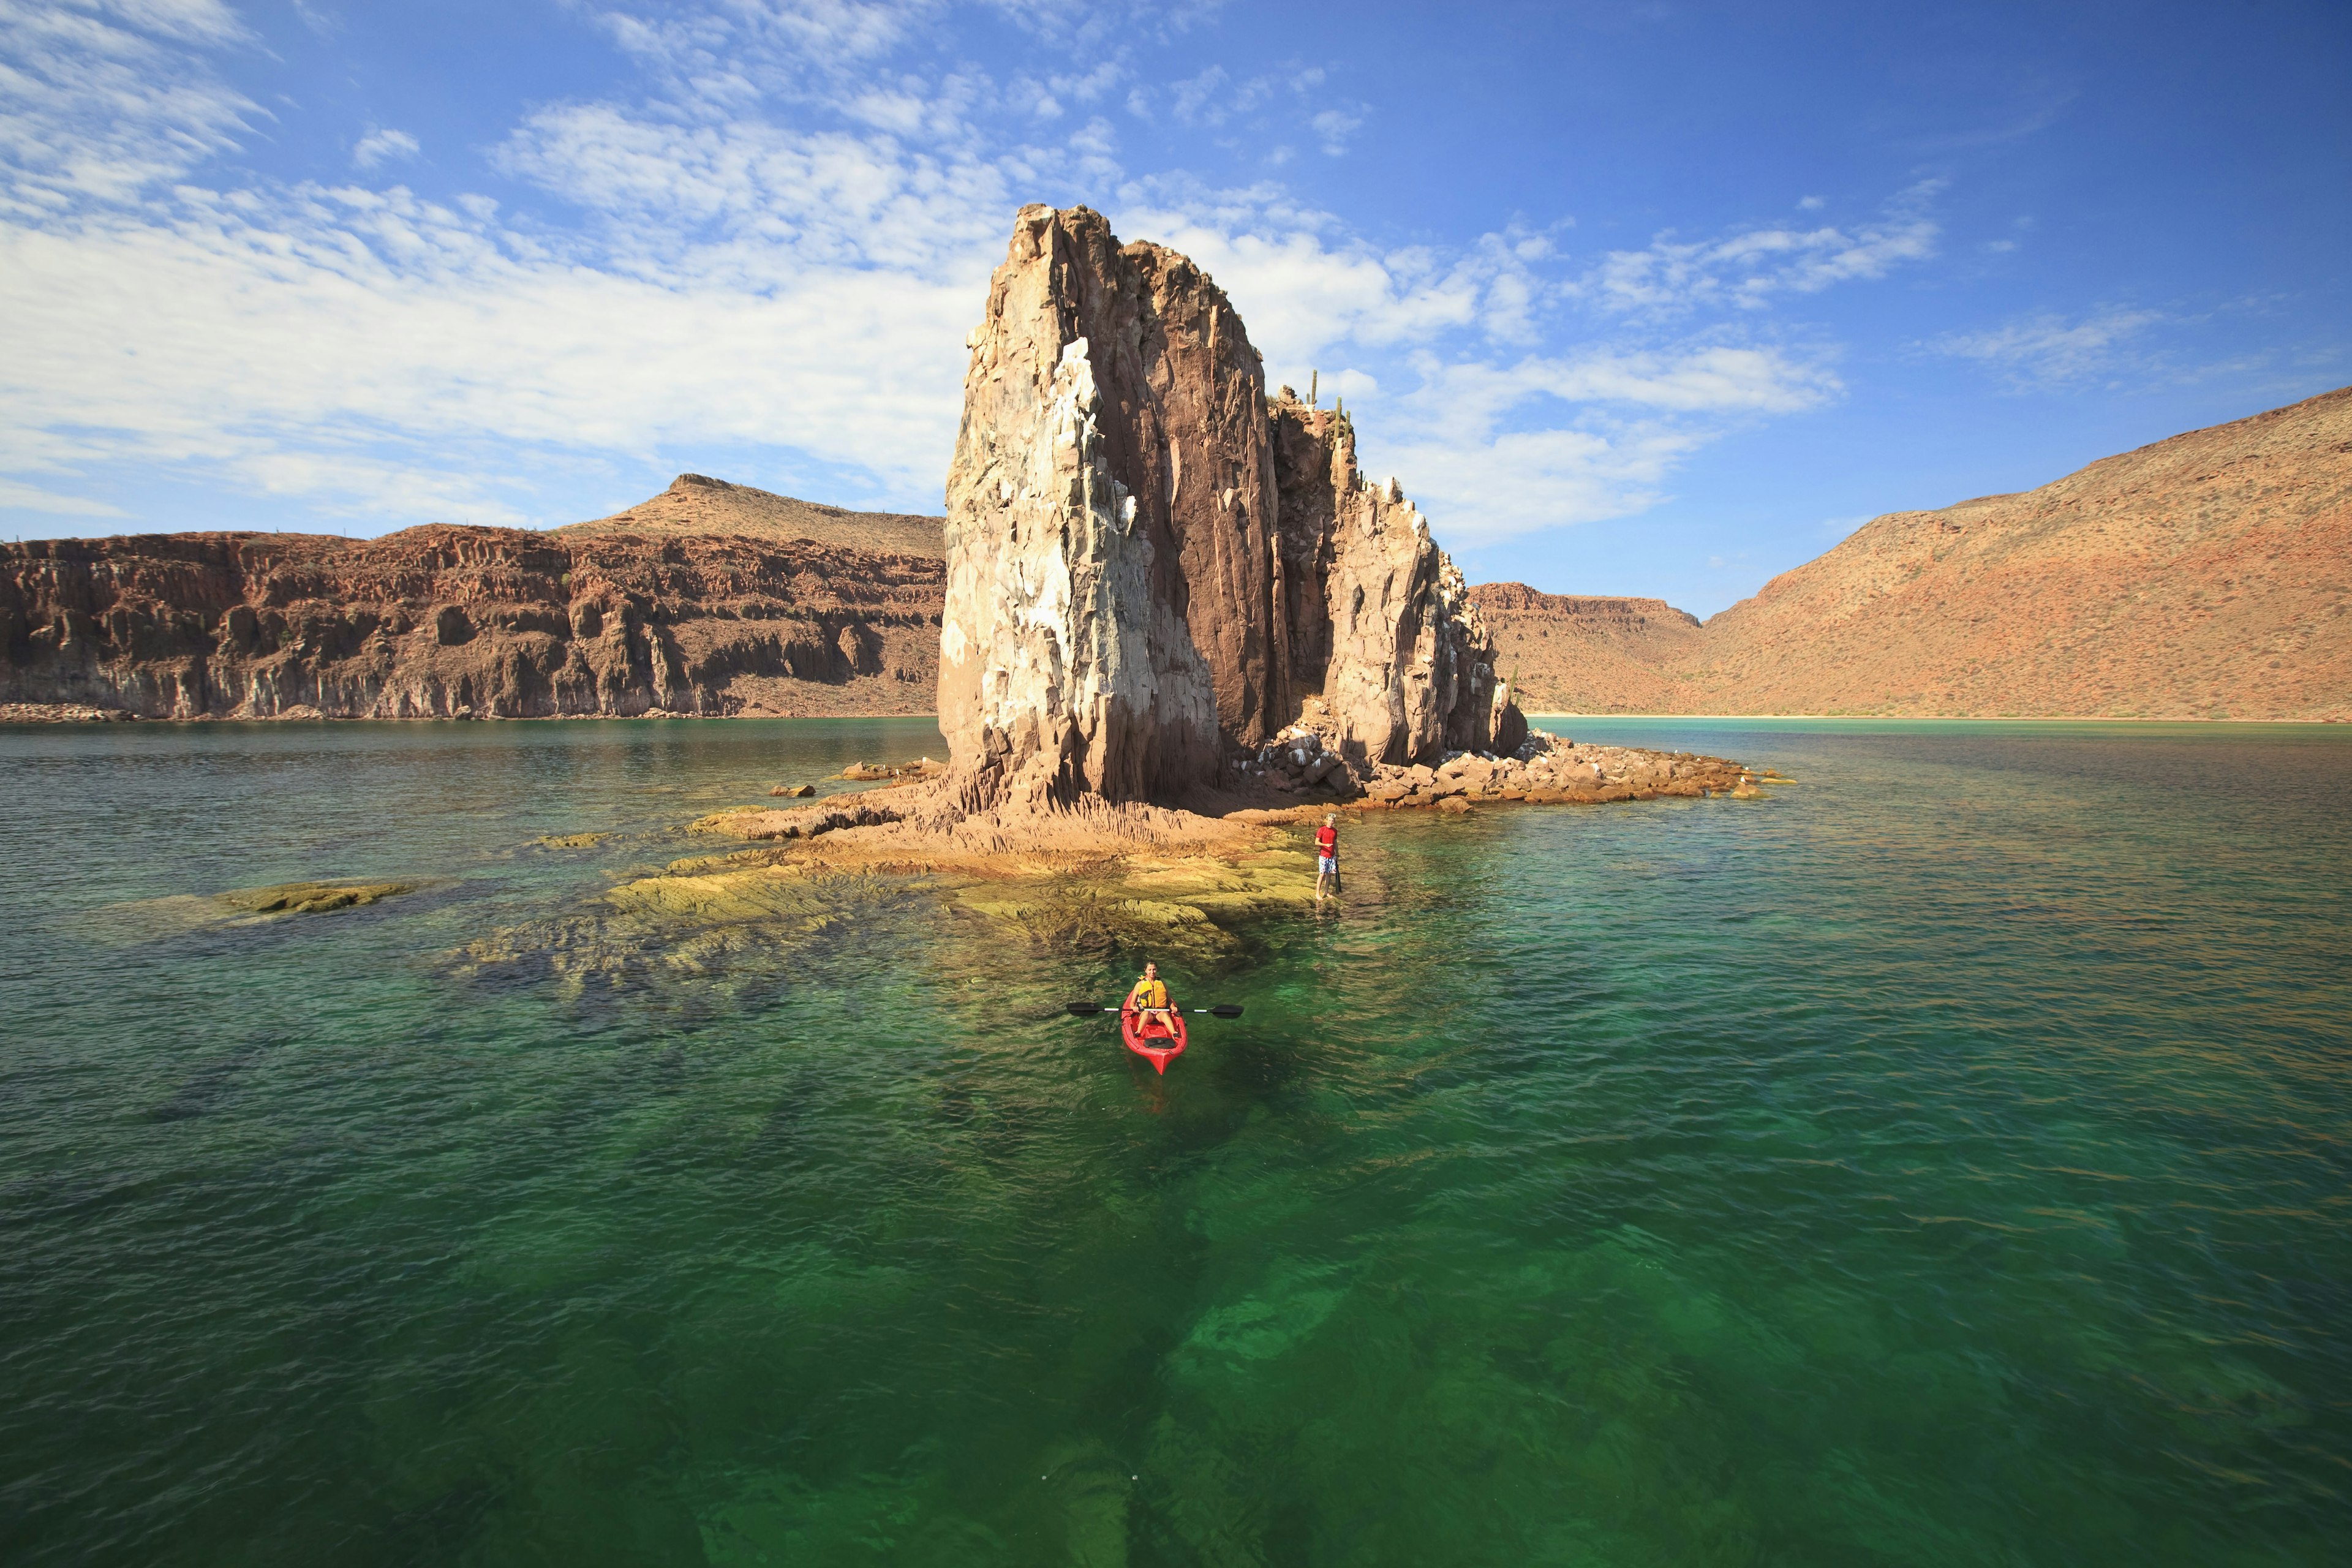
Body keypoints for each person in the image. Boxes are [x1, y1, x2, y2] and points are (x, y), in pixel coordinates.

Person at [1126, 962, 1175, 1033]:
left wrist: (1173, 1007)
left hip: (1160, 1013)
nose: (1152, 972)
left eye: (1154, 969)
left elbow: (1169, 1001)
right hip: (1146, 1012)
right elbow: (1132, 1002)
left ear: (1157, 970)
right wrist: (1134, 1007)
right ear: (1145, 970)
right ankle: (1139, 1032)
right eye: (1150, 970)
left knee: (1165, 1015)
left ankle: (1174, 1033)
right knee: (1146, 1014)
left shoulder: (1163, 983)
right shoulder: (1140, 984)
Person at [1314, 812, 1340, 905]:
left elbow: (1335, 843)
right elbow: (1316, 842)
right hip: (1323, 856)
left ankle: (1326, 892)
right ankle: (1317, 893)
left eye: (1332, 821)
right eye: (1329, 821)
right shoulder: (1322, 830)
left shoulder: (1335, 831)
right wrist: (1325, 845)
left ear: (1334, 822)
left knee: (1329, 874)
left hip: (1332, 856)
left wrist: (1337, 854)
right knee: (1322, 874)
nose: (1331, 822)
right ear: (1326, 820)